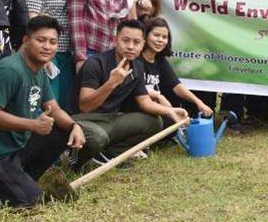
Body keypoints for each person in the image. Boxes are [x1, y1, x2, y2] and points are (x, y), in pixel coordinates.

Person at [0, 16, 86, 209]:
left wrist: (75, 126)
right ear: (26, 41)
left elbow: (55, 108)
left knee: (62, 130)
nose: (47, 47)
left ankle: (19, 182)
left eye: (52, 42)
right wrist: (33, 124)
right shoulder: (10, 70)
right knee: (34, 201)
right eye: (40, 40)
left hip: (14, 150)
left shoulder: (39, 70)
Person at [71, 19, 188, 170]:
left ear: (142, 44)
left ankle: (112, 154)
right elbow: (85, 106)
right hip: (82, 121)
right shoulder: (96, 63)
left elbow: (145, 102)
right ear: (115, 40)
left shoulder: (136, 66)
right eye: (125, 40)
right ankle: (76, 160)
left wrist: (171, 111)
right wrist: (111, 83)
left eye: (136, 42)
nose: (131, 46)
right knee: (98, 137)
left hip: (110, 119)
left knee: (155, 122)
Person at [22, 0, 75, 110]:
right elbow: (32, 20)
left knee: (67, 102)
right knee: (50, 102)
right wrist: (43, 55)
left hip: (68, 49)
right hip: (49, 51)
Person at [140, 17, 214, 119]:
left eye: (164, 37)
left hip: (156, 109)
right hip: (139, 110)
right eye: (156, 35)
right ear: (145, 35)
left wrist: (199, 102)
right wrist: (160, 99)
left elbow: (176, 86)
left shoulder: (160, 60)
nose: (160, 40)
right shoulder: (136, 59)